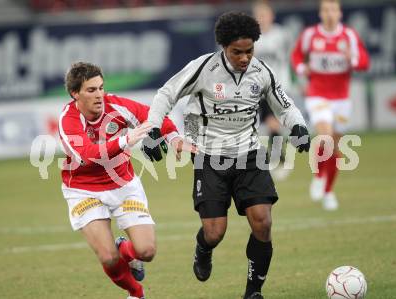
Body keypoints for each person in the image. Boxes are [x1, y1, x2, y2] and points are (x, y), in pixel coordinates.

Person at [142, 12, 310, 299]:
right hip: (209, 157)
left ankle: (253, 291)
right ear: (223, 47)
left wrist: (298, 126)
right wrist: (152, 129)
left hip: (249, 154)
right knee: (215, 232)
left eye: (249, 51)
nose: (244, 58)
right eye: (237, 52)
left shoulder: (262, 72)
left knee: (263, 221)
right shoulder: (204, 69)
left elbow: (284, 105)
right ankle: (203, 249)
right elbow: (166, 94)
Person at [58, 62, 192, 299]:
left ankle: (125, 250)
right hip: (83, 190)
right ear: (75, 93)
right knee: (108, 257)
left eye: (101, 87)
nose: (99, 94)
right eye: (91, 90)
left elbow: (154, 116)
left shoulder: (116, 105)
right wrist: (127, 139)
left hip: (123, 186)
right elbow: (88, 155)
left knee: (147, 251)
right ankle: (136, 293)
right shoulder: (68, 119)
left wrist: (173, 140)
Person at [291, 0, 369, 210]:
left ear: (340, 13)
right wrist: (301, 69)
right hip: (318, 94)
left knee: (334, 147)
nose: (330, 14)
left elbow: (364, 62)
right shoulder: (310, 35)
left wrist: (352, 60)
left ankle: (328, 192)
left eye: (333, 9)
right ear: (320, 13)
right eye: (326, 10)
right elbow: (297, 55)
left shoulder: (349, 36)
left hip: (342, 99)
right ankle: (318, 176)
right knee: (324, 136)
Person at [252, 0, 294, 181]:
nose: (262, 19)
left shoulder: (282, 35)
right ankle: (276, 158)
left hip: (278, 86)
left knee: (272, 122)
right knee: (265, 124)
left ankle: (278, 159)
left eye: (264, 15)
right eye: (258, 15)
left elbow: (294, 57)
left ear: (272, 16)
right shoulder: (251, 38)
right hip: (257, 88)